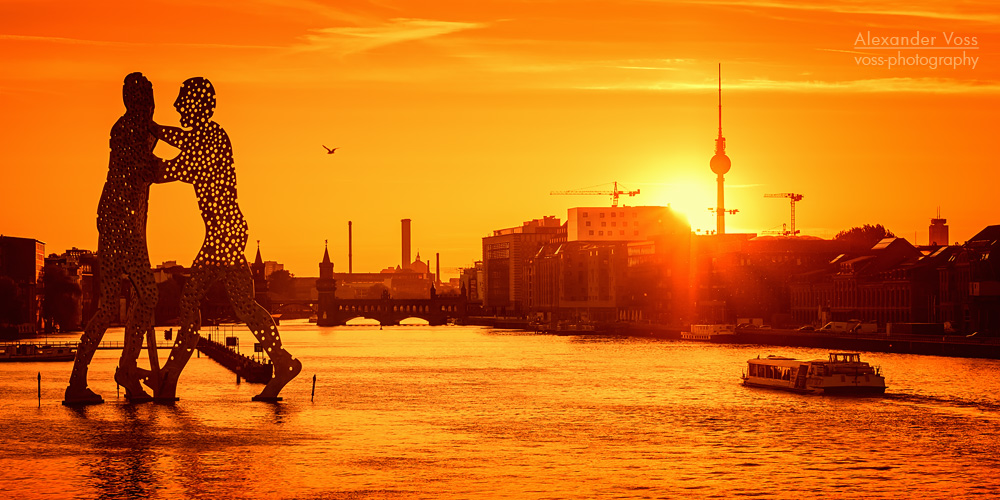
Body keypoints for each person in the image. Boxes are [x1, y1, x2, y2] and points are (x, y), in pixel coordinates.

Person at [150, 77, 301, 401]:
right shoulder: (207, 136)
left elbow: (172, 169)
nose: (176, 106)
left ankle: (169, 379)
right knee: (244, 305)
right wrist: (154, 128)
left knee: (191, 302)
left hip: (224, 233)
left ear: (196, 105)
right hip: (225, 230)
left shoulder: (212, 139)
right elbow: (182, 139)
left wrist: (142, 157)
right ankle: (282, 362)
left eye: (181, 101)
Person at [64, 72, 159, 405]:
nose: (148, 104)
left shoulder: (137, 128)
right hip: (119, 227)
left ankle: (84, 380)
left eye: (148, 97)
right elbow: (149, 171)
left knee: (121, 303)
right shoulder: (129, 131)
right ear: (132, 101)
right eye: (143, 98)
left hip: (122, 225)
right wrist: (193, 165)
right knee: (145, 294)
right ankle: (126, 369)